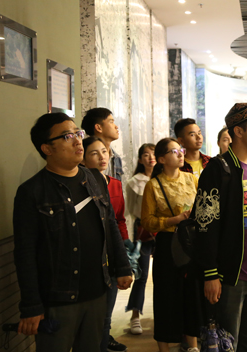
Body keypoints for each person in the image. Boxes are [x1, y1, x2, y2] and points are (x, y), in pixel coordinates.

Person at [13, 113, 132, 352]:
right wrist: (31, 305)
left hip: (98, 291)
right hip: (59, 298)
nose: (78, 140)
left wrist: (122, 266)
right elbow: (25, 252)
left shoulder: (95, 178)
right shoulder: (32, 191)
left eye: (78, 133)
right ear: (47, 148)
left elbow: (109, 223)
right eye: (68, 136)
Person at [193, 103, 247, 352]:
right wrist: (210, 273)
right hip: (230, 275)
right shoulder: (219, 169)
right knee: (226, 344)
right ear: (239, 132)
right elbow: (205, 225)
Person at [141, 138, 202, 352]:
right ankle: (164, 346)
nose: (180, 154)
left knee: (191, 294)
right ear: (161, 159)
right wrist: (173, 220)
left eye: (180, 150)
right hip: (167, 243)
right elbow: (147, 221)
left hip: (190, 242)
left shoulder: (191, 179)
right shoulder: (153, 185)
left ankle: (192, 345)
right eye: (174, 151)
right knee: (166, 295)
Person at [81, 137, 131, 352]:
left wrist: (124, 250)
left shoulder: (114, 183)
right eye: (94, 153)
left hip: (113, 250)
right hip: (94, 257)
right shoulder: (82, 185)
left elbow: (117, 219)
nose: (102, 157)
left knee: (106, 316)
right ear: (83, 159)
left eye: (104, 151)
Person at [125, 143, 156, 335]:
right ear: (140, 159)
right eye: (146, 154)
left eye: (153, 153)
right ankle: (135, 315)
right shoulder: (134, 182)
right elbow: (129, 211)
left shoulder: (165, 178)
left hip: (163, 229)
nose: (150, 157)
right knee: (141, 275)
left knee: (164, 276)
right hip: (143, 230)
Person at [81, 107, 123, 181]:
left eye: (104, 152)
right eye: (111, 122)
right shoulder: (82, 155)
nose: (116, 127)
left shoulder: (116, 158)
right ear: (99, 127)